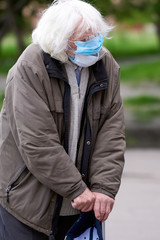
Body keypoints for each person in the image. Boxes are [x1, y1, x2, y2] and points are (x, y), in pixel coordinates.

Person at [0, 0, 125, 239]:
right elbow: (37, 141)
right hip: (28, 202)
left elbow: (112, 132)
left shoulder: (105, 63)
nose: (94, 45)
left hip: (83, 201)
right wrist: (76, 188)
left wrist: (104, 188)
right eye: (84, 39)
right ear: (59, 41)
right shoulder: (29, 67)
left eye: (96, 36)